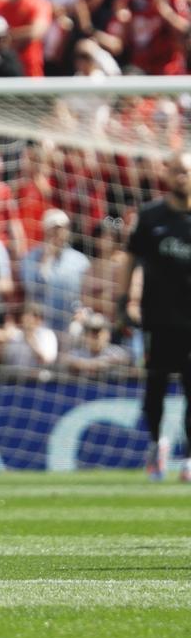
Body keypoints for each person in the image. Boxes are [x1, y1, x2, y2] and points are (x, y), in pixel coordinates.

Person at [119, 150, 191, 481]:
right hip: (158, 317)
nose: (183, 177)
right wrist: (124, 299)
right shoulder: (150, 217)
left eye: (187, 172)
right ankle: (155, 444)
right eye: (178, 171)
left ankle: (189, 457)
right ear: (167, 175)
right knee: (155, 386)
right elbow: (131, 259)